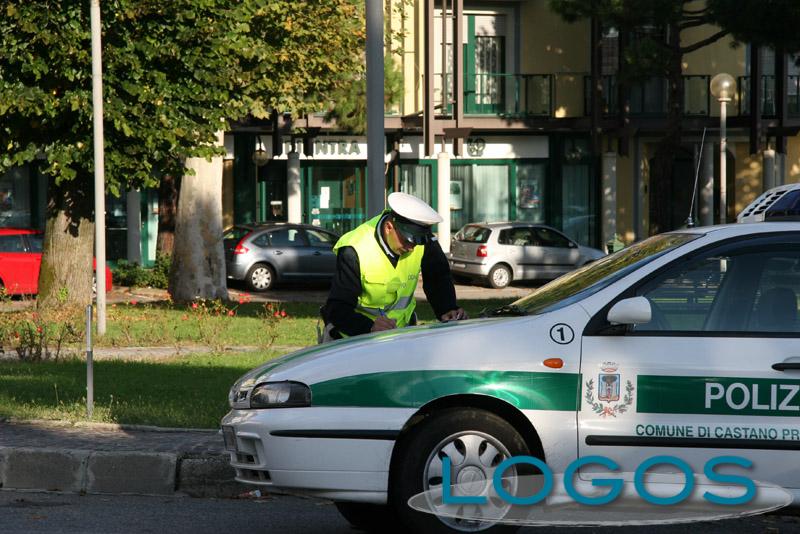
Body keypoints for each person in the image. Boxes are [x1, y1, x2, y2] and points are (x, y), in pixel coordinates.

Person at [320, 192, 467, 341]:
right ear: (389, 227)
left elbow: (438, 278)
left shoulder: (421, 242)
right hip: (352, 341)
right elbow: (337, 308)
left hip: (399, 338)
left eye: (417, 242)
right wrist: (369, 327)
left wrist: (447, 308)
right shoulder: (355, 249)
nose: (412, 247)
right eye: (407, 241)